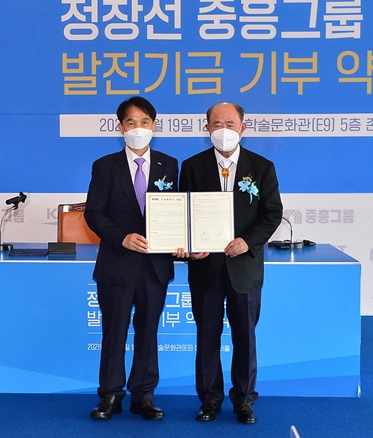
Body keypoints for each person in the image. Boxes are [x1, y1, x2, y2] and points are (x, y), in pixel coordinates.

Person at [179, 102, 283, 424]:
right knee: (206, 337)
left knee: (245, 337)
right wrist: (188, 245)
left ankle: (244, 400)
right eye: (216, 123)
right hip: (205, 268)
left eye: (230, 122)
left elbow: (272, 214)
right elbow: (184, 213)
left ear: (243, 127)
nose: (223, 129)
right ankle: (209, 399)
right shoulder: (193, 166)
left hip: (244, 268)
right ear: (207, 127)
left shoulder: (262, 167)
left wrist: (247, 241)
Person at [84, 96, 184, 421]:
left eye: (144, 122)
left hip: (155, 265)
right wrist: (122, 237)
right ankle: (110, 395)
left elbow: (177, 211)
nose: (138, 128)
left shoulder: (169, 165)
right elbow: (94, 214)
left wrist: (180, 240)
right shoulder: (104, 166)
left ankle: (144, 396)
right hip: (117, 262)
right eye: (131, 123)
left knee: (148, 331)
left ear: (154, 126)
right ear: (120, 128)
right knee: (114, 331)